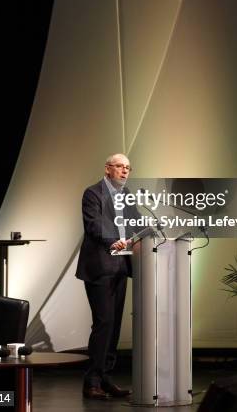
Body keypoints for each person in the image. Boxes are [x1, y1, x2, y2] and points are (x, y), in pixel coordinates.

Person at [75, 153, 140, 400]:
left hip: (121, 267)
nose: (124, 171)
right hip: (100, 267)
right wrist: (114, 240)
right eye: (120, 167)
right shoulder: (92, 193)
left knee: (113, 327)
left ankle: (104, 377)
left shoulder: (127, 196)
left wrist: (152, 233)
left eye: (128, 168)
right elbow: (93, 225)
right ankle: (91, 381)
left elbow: (137, 222)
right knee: (103, 323)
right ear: (107, 169)